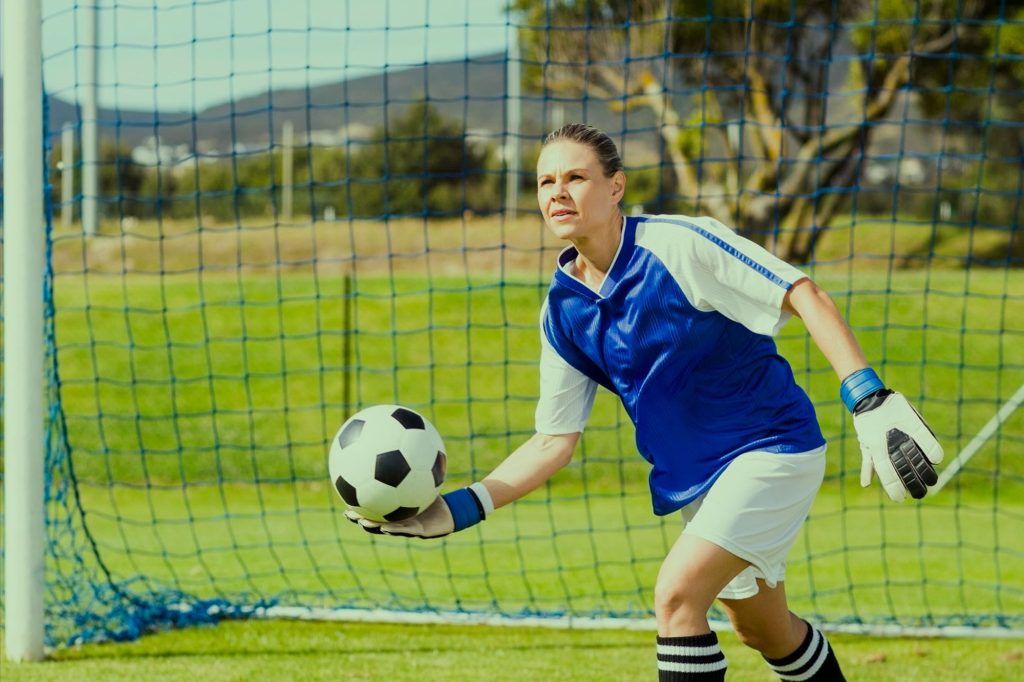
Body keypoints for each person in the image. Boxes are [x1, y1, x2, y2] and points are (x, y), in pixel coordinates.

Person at [346, 123, 944, 681]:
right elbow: (554, 441)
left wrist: (868, 397)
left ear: (616, 186)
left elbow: (801, 291)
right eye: (545, 182)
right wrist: (460, 509)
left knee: (677, 597)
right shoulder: (563, 309)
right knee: (764, 631)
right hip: (696, 479)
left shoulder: (680, 243)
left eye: (575, 178)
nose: (558, 193)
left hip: (772, 449)